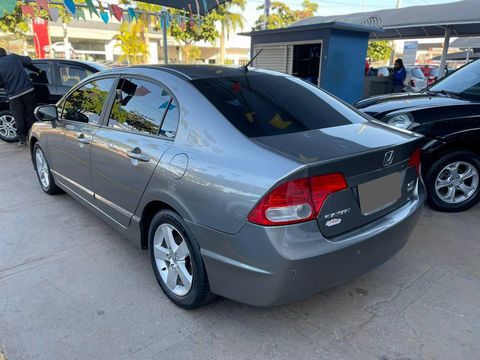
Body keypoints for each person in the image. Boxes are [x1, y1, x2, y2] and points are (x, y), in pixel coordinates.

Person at [0, 47, 37, 146]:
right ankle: (34, 136)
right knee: (31, 114)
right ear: (5, 53)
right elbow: (29, 60)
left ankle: (23, 140)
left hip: (13, 95)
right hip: (28, 90)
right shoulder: (13, 57)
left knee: (18, 117)